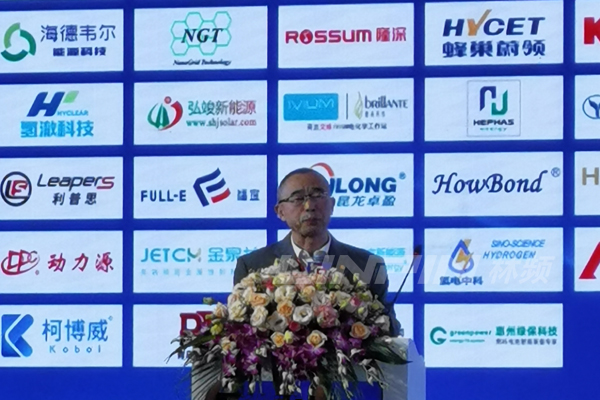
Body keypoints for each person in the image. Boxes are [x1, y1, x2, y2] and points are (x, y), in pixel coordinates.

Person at [229, 167, 402, 400]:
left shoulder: (367, 264)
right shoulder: (253, 265)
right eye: (298, 198)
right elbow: (241, 336)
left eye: (318, 195)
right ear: (280, 212)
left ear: (332, 205)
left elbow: (388, 328)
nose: (309, 205)